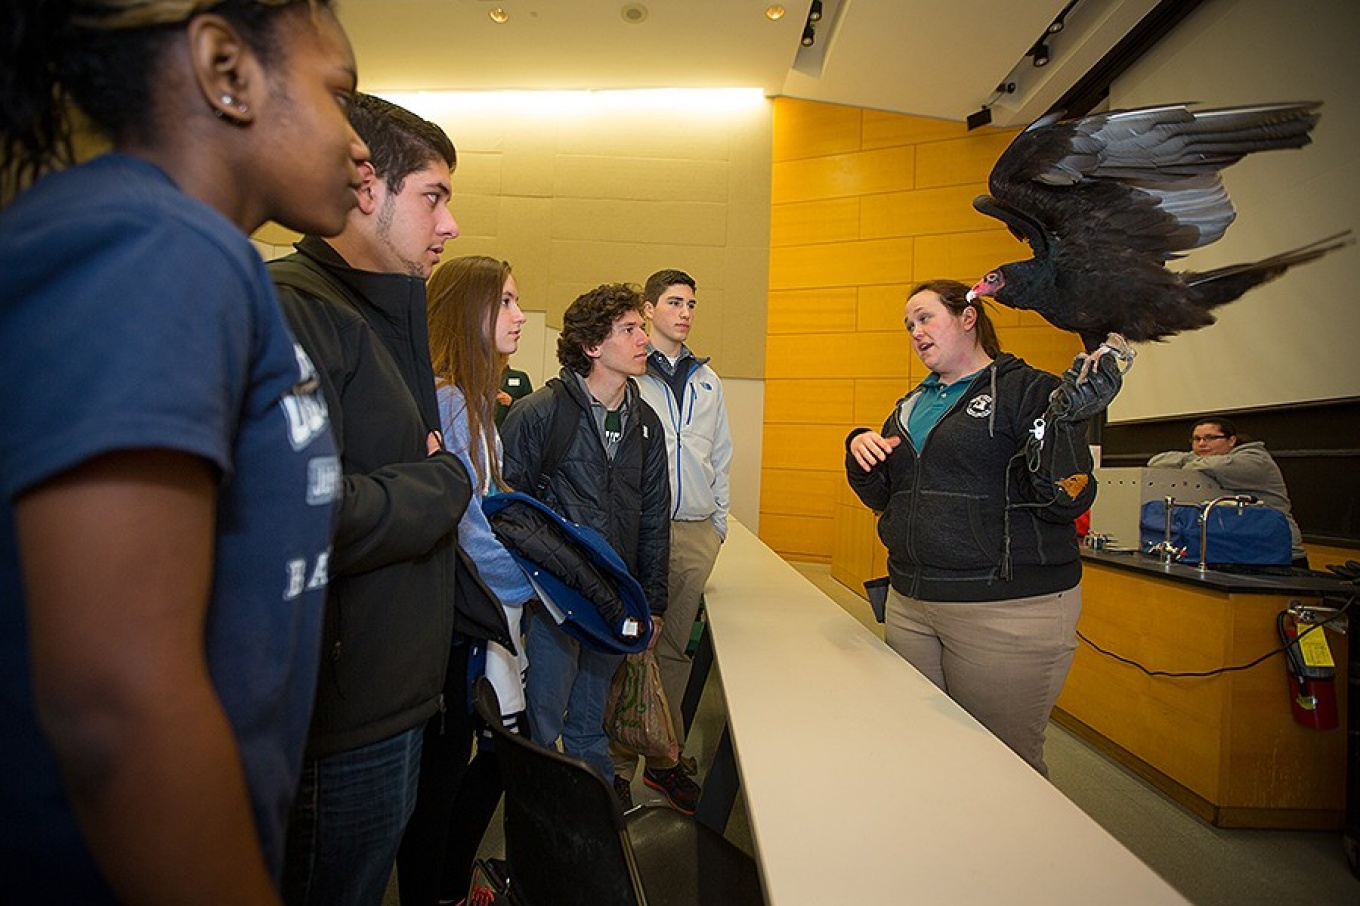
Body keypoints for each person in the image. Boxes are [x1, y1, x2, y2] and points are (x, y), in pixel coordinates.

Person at [0, 2, 365, 902]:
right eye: (338, 95)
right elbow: (114, 704)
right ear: (225, 70)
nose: (358, 142)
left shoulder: (193, 255)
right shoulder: (157, 244)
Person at [269, 93, 470, 906]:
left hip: (397, 696)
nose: (450, 224)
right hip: (341, 718)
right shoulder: (299, 308)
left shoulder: (387, 312)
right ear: (365, 189)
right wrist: (443, 482)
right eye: (434, 196)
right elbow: (298, 515)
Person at [845, 279, 1121, 776]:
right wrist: (860, 456)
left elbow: (1066, 497)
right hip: (911, 603)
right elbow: (887, 498)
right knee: (922, 750)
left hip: (1005, 608)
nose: (915, 332)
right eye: (909, 325)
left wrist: (1064, 425)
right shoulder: (910, 405)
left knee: (1002, 769)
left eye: (926, 317)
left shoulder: (1028, 390)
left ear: (968, 318)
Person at [397, 256, 535, 905]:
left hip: (478, 611)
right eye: (506, 302)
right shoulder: (452, 401)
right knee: (447, 774)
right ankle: (440, 892)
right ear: (467, 311)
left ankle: (448, 887)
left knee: (480, 761)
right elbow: (469, 528)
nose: (519, 316)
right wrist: (539, 575)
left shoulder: (474, 401)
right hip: (458, 618)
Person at [500, 283, 671, 798]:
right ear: (593, 346)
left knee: (592, 716)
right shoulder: (538, 413)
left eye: (641, 328)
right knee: (544, 710)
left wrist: (654, 601)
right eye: (630, 330)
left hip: (615, 598)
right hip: (557, 599)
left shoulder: (647, 425)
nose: (644, 339)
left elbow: (654, 518)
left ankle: (590, 818)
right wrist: (533, 587)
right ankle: (535, 809)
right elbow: (508, 509)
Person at [611, 269, 731, 814]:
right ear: (650, 307)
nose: (684, 312)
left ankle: (665, 760)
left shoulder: (709, 382)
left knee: (676, 652)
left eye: (692, 303)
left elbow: (722, 457)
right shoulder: (630, 372)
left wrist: (718, 523)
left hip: (695, 532)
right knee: (629, 648)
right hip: (640, 533)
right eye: (674, 302)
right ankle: (614, 769)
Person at [1148, 417, 1308, 566]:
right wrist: (1193, 459)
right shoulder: (1206, 459)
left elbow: (1214, 466)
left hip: (1278, 549)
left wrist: (1194, 461)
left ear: (1231, 440)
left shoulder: (1255, 460)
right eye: (1197, 439)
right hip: (1239, 547)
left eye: (1211, 438)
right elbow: (1155, 461)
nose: (1202, 444)